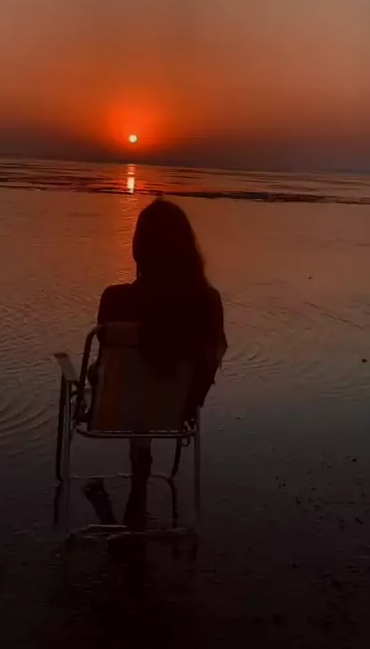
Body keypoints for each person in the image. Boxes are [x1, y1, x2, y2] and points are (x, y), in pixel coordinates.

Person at [86, 197, 227, 529]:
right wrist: (191, 402)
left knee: (116, 376)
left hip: (115, 408)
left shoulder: (114, 299)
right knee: (150, 380)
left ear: (138, 248)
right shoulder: (208, 303)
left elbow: (104, 363)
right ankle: (141, 465)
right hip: (176, 411)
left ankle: (137, 464)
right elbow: (211, 361)